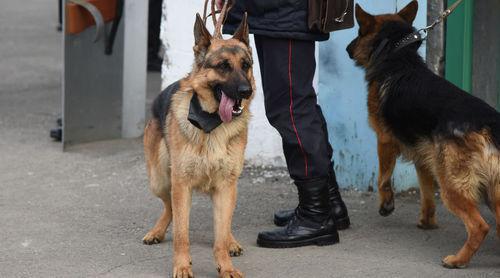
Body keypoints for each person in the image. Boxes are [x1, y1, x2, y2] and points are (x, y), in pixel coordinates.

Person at [220, 0, 350, 248]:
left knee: (292, 109)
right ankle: (328, 203)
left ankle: (316, 217)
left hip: (284, 9)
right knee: (297, 105)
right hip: (276, 11)